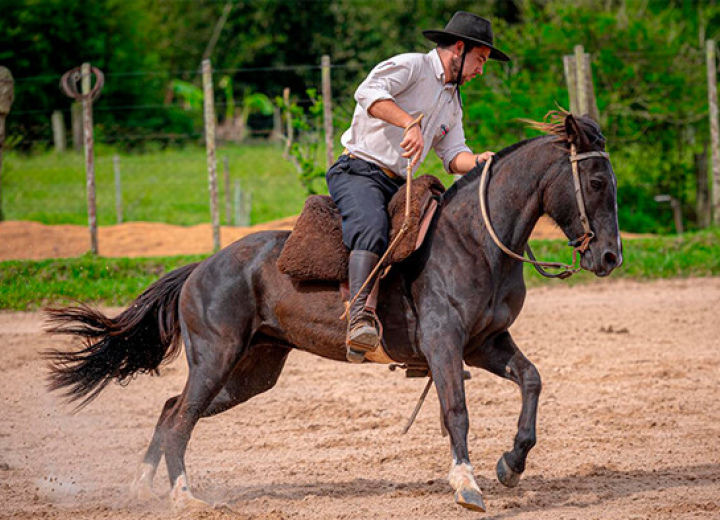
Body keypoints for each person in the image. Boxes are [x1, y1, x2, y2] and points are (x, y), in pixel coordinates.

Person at [325, 11, 511, 363]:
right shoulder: (412, 66)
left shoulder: (452, 101)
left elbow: (454, 154)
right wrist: (409, 123)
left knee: (441, 237)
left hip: (399, 184)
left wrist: (481, 161)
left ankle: (423, 331)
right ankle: (360, 317)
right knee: (372, 227)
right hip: (358, 172)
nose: (481, 70)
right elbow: (367, 91)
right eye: (480, 60)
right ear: (459, 48)